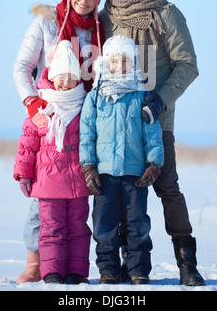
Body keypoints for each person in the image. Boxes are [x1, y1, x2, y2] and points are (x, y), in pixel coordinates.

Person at [99, 0, 205, 287]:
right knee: (120, 195)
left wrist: (159, 100)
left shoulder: (165, 13)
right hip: (115, 125)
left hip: (155, 121)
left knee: (167, 187)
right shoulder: (106, 17)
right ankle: (129, 267)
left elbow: (187, 64)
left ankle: (187, 262)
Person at [13, 0, 104, 283]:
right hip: (46, 114)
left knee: (77, 212)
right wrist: (31, 102)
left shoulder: (98, 29)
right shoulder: (46, 22)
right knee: (43, 203)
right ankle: (36, 264)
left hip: (82, 116)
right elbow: (22, 66)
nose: (83, 0)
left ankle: (73, 268)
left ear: (98, 0)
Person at [79, 35, 164, 285]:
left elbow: (152, 133)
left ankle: (137, 269)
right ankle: (108, 270)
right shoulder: (95, 97)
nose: (121, 65)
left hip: (134, 172)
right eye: (115, 61)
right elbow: (87, 134)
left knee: (137, 224)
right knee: (104, 224)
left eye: (126, 60)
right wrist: (88, 166)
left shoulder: (142, 96)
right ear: (107, 63)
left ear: (134, 63)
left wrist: (154, 164)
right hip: (104, 173)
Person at [13, 40, 92, 284]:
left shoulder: (85, 105)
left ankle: (77, 273)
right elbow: (27, 145)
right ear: (52, 76)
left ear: (78, 79)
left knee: (78, 228)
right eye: (61, 77)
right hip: (47, 182)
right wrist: (24, 174)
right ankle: (52, 273)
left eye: (71, 78)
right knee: (51, 228)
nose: (66, 83)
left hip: (78, 179)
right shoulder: (41, 109)